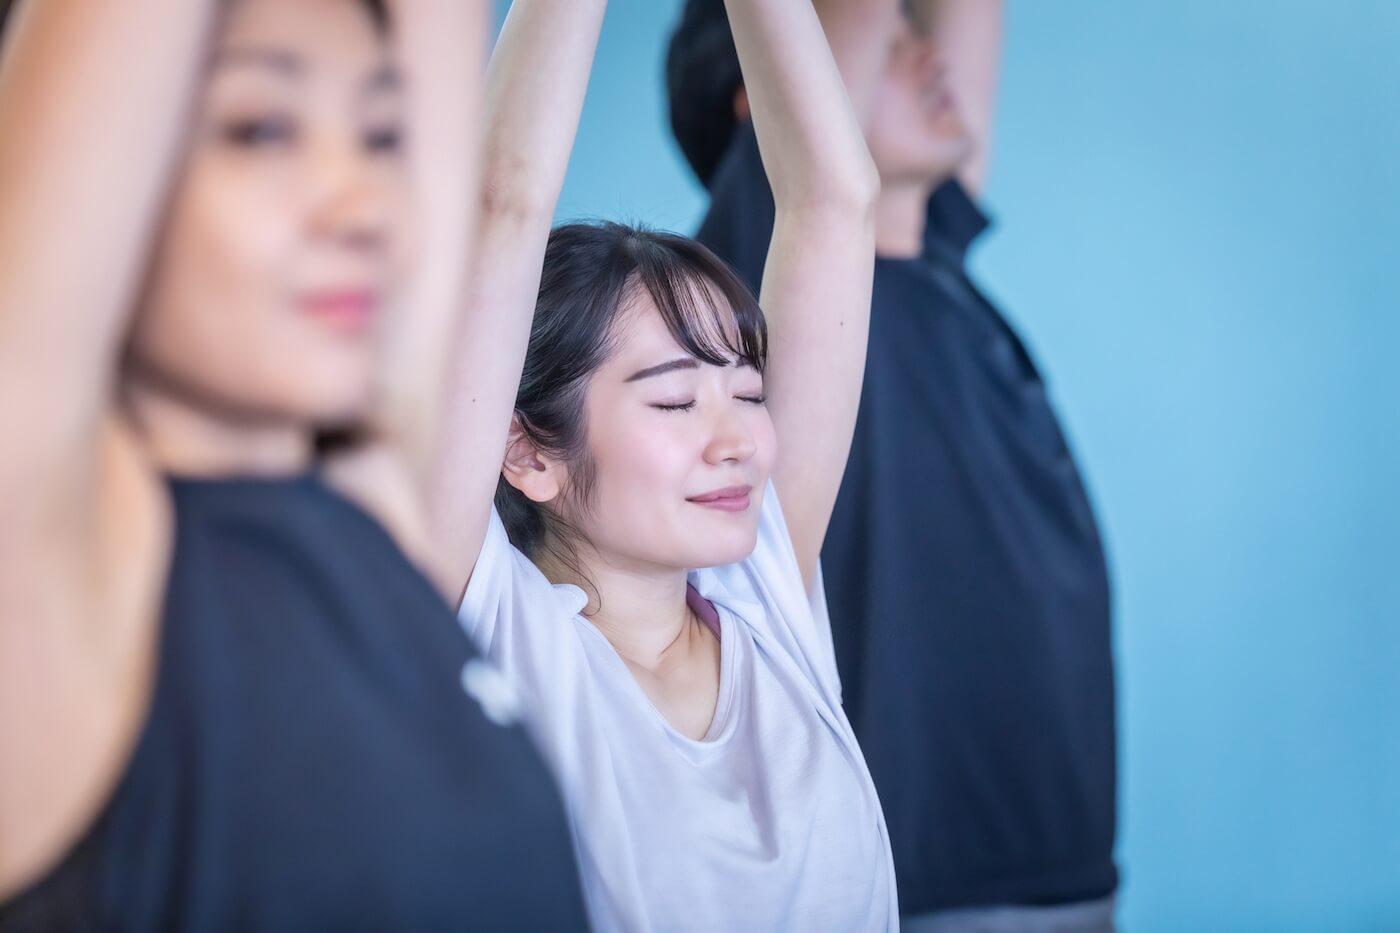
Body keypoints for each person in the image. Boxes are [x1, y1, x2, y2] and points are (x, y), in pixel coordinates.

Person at [0, 1, 587, 929]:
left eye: (381, 136)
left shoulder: (368, 521)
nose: (365, 205)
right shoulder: (46, 572)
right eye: (262, 129)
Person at [436, 0, 895, 929]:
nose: (739, 441)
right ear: (525, 450)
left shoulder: (761, 590)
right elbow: (501, 205)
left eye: (749, 393)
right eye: (676, 401)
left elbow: (835, 202)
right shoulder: (486, 623)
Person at [668, 1, 1118, 929]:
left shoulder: (941, 259)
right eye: (894, 42)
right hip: (917, 884)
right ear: (771, 103)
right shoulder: (775, 285)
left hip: (1065, 867)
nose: (928, 58)